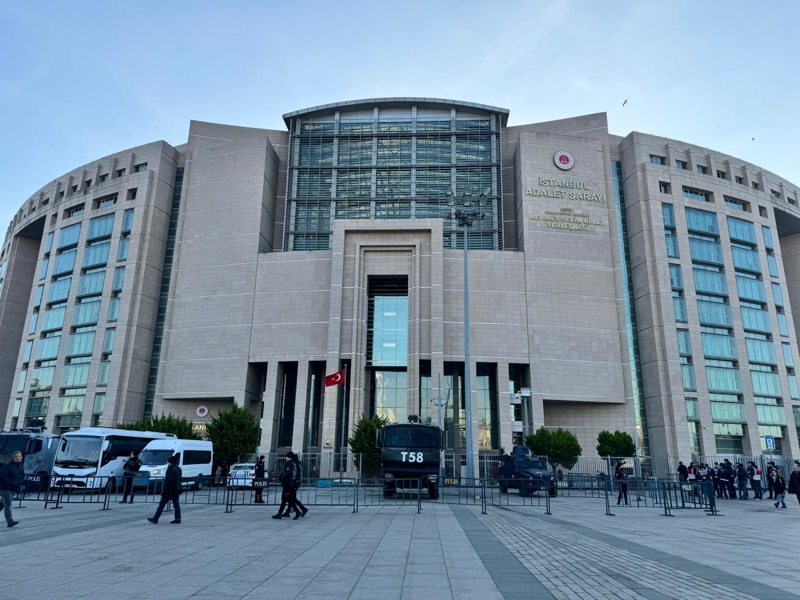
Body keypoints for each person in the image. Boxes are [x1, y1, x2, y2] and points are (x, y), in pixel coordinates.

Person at [148, 454, 182, 524]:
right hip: (176, 489)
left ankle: (155, 518)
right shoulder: (179, 469)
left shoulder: (170, 469)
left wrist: (164, 488)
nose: (167, 463)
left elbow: (168, 480)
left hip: (169, 490)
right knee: (176, 504)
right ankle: (178, 518)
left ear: (170, 462)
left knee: (162, 504)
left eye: (168, 461)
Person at [0, 450, 24, 528]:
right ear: (14, 458)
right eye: (19, 456)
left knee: (2, 504)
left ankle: (10, 521)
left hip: (13, 488)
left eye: (21, 456)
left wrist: (21, 482)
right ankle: (10, 521)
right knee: (8, 504)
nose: (21, 457)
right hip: (5, 488)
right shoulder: (7, 466)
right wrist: (10, 484)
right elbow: (2, 477)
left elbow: (22, 475)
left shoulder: (20, 465)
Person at [273, 451, 300, 519]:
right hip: (290, 483)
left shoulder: (290, 464)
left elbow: (288, 474)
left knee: (287, 498)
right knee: (284, 499)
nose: (286, 458)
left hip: (288, 483)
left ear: (288, 457)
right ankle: (280, 513)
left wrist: (282, 478)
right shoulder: (293, 463)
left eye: (286, 456)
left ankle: (297, 511)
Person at [289, 452, 308, 518]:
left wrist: (294, 482)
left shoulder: (296, 465)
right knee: (292, 497)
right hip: (296, 483)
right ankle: (290, 510)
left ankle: (302, 509)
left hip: (295, 483)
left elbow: (295, 475)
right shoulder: (298, 464)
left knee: (292, 498)